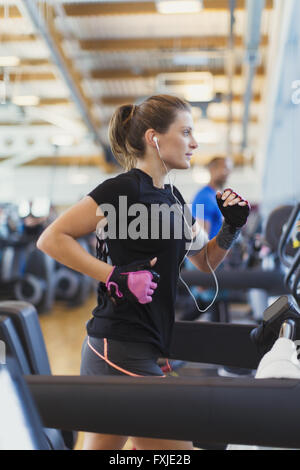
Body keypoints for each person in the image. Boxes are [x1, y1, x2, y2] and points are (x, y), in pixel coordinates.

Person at [36, 94, 250, 450]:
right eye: (185, 133)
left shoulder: (174, 199)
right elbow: (51, 238)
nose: (194, 143)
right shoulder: (122, 190)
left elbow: (205, 261)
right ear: (154, 137)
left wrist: (231, 228)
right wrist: (113, 275)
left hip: (145, 346)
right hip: (117, 348)